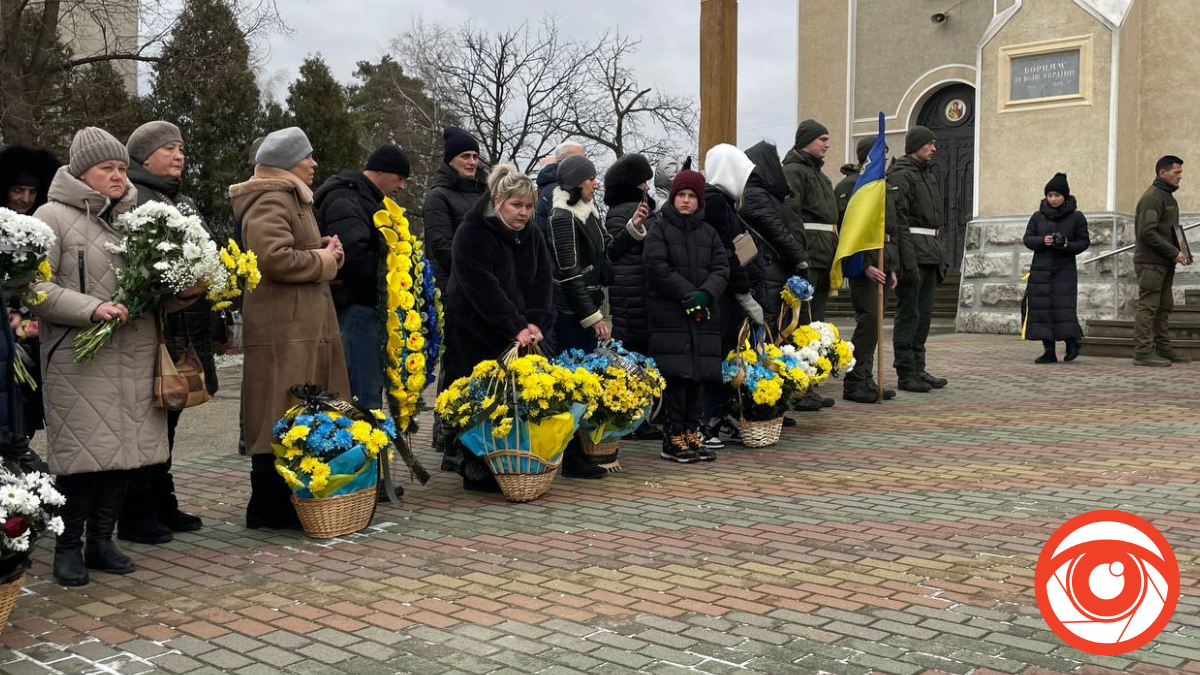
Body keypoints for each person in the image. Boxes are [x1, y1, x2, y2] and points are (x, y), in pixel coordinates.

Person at [33, 127, 201, 586]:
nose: (116, 176)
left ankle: (101, 542)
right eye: (106, 168)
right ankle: (67, 547)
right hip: (79, 361)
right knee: (82, 462)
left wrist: (186, 290)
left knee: (126, 457)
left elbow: (154, 295)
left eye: (122, 168)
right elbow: (36, 288)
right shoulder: (50, 216)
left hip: (135, 354)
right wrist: (92, 309)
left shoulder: (139, 219)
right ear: (81, 171)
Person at [229, 127, 350, 529]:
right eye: (308, 157)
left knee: (297, 409)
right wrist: (324, 261)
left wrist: (323, 253)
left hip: (300, 322)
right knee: (279, 410)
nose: (315, 164)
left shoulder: (292, 197)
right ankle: (268, 504)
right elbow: (272, 258)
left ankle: (290, 500)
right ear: (287, 162)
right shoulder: (271, 197)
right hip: (284, 327)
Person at [116, 121, 211, 544]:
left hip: (184, 325)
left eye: (182, 149)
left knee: (168, 419)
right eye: (170, 148)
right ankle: (136, 511)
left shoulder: (183, 200)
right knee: (146, 422)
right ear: (144, 156)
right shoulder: (134, 199)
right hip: (154, 327)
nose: (179, 156)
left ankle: (161, 501)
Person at [442, 164, 555, 491]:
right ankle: (473, 465)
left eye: (529, 206)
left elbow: (542, 280)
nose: (523, 213)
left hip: (516, 330)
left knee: (513, 398)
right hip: (474, 327)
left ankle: (509, 460)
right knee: (478, 397)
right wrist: (514, 324)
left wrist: (536, 319)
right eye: (516, 205)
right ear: (497, 201)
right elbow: (482, 286)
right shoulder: (472, 232)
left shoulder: (531, 234)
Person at [548, 153, 649, 478]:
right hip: (570, 314)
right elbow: (569, 273)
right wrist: (593, 317)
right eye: (591, 177)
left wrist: (633, 228)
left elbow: (608, 254)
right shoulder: (562, 217)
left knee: (584, 382)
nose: (596, 182)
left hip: (587, 309)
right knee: (572, 383)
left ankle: (580, 453)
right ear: (577, 181)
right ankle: (571, 457)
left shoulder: (587, 211)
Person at [314, 144, 411, 410]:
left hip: (365, 305)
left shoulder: (364, 199)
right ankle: (365, 447)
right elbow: (353, 256)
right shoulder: (347, 199)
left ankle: (371, 445)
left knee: (367, 387)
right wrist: (391, 279)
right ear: (381, 172)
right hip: (356, 305)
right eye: (400, 178)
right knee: (362, 393)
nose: (402, 186)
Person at [644, 169, 729, 462]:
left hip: (703, 317)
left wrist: (705, 294)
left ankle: (692, 432)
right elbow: (657, 267)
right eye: (681, 194)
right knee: (677, 379)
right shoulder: (659, 227)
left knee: (698, 378)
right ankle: (673, 436)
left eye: (692, 196)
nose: (686, 200)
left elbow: (722, 268)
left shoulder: (709, 232)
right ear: (673, 197)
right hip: (672, 317)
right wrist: (687, 295)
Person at [700, 144, 767, 447]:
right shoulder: (714, 203)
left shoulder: (723, 202)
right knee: (717, 355)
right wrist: (744, 292)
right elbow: (727, 253)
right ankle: (707, 420)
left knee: (728, 354)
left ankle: (719, 416)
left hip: (729, 291)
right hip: (723, 293)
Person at [837, 137, 906, 403]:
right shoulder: (853, 185)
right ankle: (854, 381)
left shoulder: (884, 186)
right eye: (882, 152)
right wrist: (865, 265)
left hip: (885, 262)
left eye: (887, 152)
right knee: (868, 321)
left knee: (876, 324)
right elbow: (850, 230)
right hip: (866, 265)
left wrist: (894, 266)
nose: (886, 157)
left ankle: (866, 378)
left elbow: (894, 229)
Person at [0, 144, 59, 440]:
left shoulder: (44, 230)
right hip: (6, 339)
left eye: (32, 192)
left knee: (26, 423)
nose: (25, 199)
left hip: (35, 343)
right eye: (17, 190)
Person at [888, 126, 949, 392]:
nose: (933, 148)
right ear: (915, 145)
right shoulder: (902, 175)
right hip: (913, 254)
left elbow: (935, 223)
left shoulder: (927, 176)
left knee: (923, 316)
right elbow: (900, 223)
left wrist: (940, 258)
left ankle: (918, 368)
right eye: (928, 144)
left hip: (929, 253)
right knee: (909, 314)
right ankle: (905, 372)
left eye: (934, 144)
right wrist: (907, 262)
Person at [1022, 173, 1090, 364]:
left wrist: (1067, 244)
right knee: (1042, 310)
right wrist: (1042, 241)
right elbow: (1028, 239)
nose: (1053, 199)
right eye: (1050, 195)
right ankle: (1049, 351)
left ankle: (1072, 343)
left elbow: (1084, 242)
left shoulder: (1076, 217)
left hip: (1064, 270)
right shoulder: (1037, 217)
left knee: (1064, 309)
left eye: (1057, 195)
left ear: (1065, 197)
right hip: (1040, 271)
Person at [1132, 155, 1192, 367]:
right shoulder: (1153, 197)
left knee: (1164, 306)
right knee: (1148, 307)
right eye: (1177, 173)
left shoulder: (1168, 197)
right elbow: (1147, 233)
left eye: (1180, 173)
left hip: (1164, 262)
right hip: (1150, 262)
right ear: (1162, 173)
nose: (1180, 177)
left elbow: (1170, 230)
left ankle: (1164, 349)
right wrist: (1174, 252)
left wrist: (1182, 250)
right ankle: (1143, 353)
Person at [742, 141, 808, 329]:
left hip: (774, 268)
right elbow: (778, 232)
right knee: (772, 325)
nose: (780, 163)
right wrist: (800, 259)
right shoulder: (755, 194)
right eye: (776, 159)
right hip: (767, 269)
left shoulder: (766, 193)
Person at [783, 119, 838, 320]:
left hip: (824, 254)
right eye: (822, 139)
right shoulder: (793, 171)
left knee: (817, 318)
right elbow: (791, 215)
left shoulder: (821, 175)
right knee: (803, 317)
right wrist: (799, 255)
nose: (827, 144)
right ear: (807, 141)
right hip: (808, 255)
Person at [603, 153, 656, 355]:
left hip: (636, 299)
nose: (647, 188)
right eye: (644, 183)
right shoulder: (624, 212)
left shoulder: (634, 209)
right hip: (633, 301)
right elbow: (615, 251)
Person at [423, 127, 485, 294]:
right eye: (465, 156)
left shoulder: (485, 194)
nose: (472, 162)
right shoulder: (437, 196)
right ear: (450, 160)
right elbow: (443, 247)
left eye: (475, 156)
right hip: (453, 289)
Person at [533, 140, 585, 235]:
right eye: (578, 160)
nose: (585, 164)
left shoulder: (570, 188)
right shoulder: (558, 192)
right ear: (561, 162)